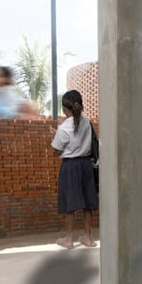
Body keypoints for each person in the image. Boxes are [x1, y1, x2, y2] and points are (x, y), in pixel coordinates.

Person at [50, 90, 98, 249]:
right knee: (88, 204)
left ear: (64, 108)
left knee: (69, 203)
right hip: (86, 166)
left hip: (70, 167)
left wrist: (55, 135)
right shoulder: (87, 123)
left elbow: (56, 150)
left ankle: (69, 239)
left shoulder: (64, 128)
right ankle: (89, 239)